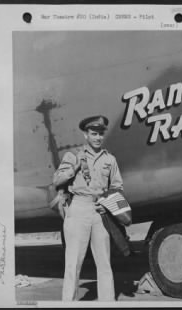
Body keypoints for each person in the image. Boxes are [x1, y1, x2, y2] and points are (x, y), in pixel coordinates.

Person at [53, 115, 123, 301]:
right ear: (86, 135)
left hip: (101, 212)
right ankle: (68, 303)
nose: (98, 137)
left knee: (105, 264)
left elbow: (117, 187)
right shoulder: (73, 155)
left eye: (101, 134)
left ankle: (107, 303)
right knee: (73, 264)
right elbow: (57, 180)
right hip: (78, 208)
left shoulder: (110, 159)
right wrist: (74, 168)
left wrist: (107, 204)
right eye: (94, 133)